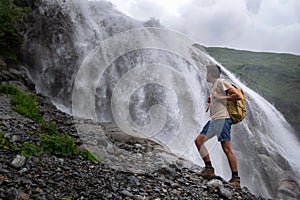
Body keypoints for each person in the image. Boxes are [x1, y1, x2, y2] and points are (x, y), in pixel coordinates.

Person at [194, 64, 242, 187]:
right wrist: (213, 100)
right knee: (199, 141)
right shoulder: (215, 85)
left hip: (223, 119)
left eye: (207, 73)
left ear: (210, 73)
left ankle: (236, 179)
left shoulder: (221, 82)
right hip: (215, 120)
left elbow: (237, 95)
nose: (206, 75)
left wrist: (219, 97)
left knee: (227, 149)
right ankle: (209, 169)